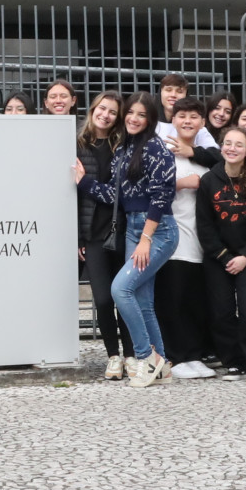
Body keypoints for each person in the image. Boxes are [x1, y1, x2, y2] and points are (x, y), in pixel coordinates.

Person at [71, 93, 177, 387]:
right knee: (143, 300)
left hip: (156, 231)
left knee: (120, 289)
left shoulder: (156, 149)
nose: (133, 118)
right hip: (132, 227)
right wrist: (85, 182)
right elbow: (115, 196)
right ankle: (163, 365)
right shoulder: (124, 150)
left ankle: (146, 357)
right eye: (130, 113)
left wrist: (146, 238)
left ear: (150, 119)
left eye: (141, 115)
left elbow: (162, 195)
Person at [194, 124, 246, 384]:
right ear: (221, 146)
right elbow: (204, 226)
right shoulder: (209, 181)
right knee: (221, 312)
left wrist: (245, 256)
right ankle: (234, 362)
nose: (232, 148)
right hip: (219, 258)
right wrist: (225, 257)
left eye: (239, 144)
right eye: (228, 143)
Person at [157, 96, 216, 379]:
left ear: (202, 122)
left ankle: (193, 355)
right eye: (182, 117)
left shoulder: (206, 154)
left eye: (194, 117)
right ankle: (175, 356)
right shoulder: (161, 150)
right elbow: (146, 189)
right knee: (174, 298)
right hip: (172, 238)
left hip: (201, 241)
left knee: (195, 301)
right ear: (173, 119)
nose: (188, 121)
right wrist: (181, 183)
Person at [75, 92, 132, 377]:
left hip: (123, 233)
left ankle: (132, 355)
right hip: (93, 236)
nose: (106, 115)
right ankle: (113, 356)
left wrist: (85, 182)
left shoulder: (123, 147)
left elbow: (117, 195)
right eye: (102, 108)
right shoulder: (77, 144)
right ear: (93, 109)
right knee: (103, 299)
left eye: (112, 111)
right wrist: (77, 239)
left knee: (125, 296)